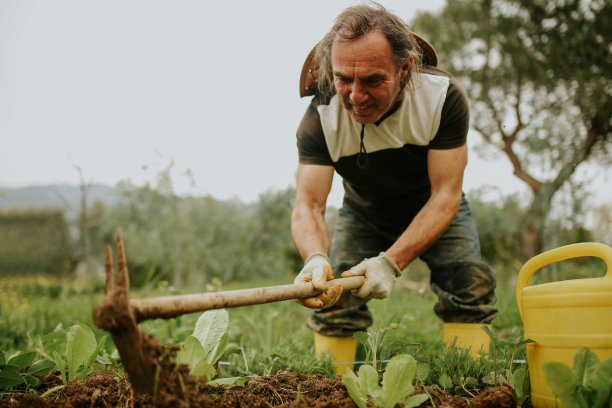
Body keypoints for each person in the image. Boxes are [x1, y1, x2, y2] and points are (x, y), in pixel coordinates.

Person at [291, 2, 497, 376]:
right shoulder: (319, 118)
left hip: (434, 207)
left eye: (372, 80)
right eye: (343, 79)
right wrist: (315, 259)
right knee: (333, 299)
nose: (355, 96)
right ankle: (333, 388)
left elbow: (447, 194)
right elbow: (308, 205)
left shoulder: (443, 98)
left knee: (470, 287)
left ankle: (474, 384)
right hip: (362, 213)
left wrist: (391, 262)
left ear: (403, 69)